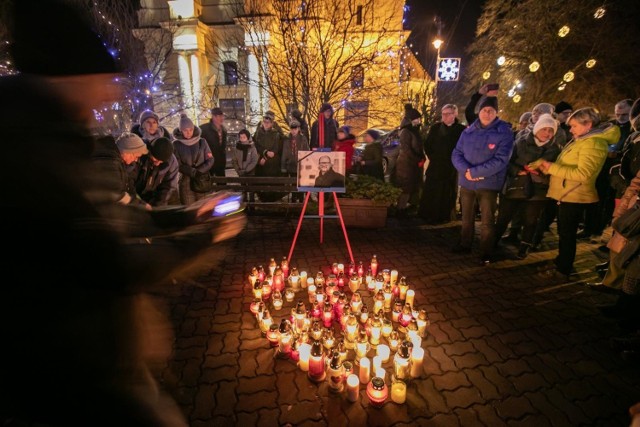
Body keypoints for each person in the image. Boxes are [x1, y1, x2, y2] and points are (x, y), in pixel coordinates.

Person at [0, 1, 245, 426]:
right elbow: (111, 259)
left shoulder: (58, 137)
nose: (109, 90)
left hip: (92, 354)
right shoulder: (29, 154)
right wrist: (206, 238)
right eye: (101, 77)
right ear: (69, 76)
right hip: (65, 371)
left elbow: (125, 219)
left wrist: (189, 215)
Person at [535, 107, 620, 282]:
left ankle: (563, 270)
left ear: (588, 124)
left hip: (574, 195)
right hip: (566, 193)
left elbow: (584, 174)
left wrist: (552, 168)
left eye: (574, 126)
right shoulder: (582, 140)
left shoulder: (593, 143)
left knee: (567, 235)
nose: (571, 130)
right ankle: (560, 261)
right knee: (563, 232)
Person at [451, 96, 514, 265]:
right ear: (479, 111)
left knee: (487, 220)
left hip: (488, 184)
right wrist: (467, 171)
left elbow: (501, 160)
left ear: (496, 113)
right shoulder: (468, 131)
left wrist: (477, 172)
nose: (487, 113)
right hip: (467, 182)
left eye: (490, 111)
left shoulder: (504, 132)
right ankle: (465, 244)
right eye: (484, 110)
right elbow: (456, 153)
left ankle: (486, 251)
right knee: (466, 217)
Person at [494, 114, 561, 259]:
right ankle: (493, 242)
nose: (547, 133)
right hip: (517, 184)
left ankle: (525, 245)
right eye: (544, 129)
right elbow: (508, 161)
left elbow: (556, 169)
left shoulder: (555, 149)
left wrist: (544, 170)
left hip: (538, 188)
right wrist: (517, 171)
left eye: (551, 131)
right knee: (504, 216)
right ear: (537, 128)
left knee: (531, 220)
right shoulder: (521, 142)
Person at [418, 104, 466, 224]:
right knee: (431, 189)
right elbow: (428, 144)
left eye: (447, 114)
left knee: (446, 192)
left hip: (451, 166)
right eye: (443, 114)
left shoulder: (460, 130)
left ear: (454, 114)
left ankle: (443, 215)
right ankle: (427, 214)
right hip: (436, 164)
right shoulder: (436, 128)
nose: (444, 117)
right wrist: (433, 156)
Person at [173, 113, 214, 205]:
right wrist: (191, 171)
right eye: (185, 130)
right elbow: (176, 163)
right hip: (185, 182)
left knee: (203, 208)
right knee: (189, 208)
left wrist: (199, 171)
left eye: (191, 129)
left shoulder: (202, 142)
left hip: (201, 180)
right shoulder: (176, 145)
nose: (188, 132)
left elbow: (210, 160)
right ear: (181, 130)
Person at [394, 107, 425, 215]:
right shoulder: (405, 131)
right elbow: (406, 149)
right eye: (417, 119)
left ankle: (410, 207)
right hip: (406, 164)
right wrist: (418, 159)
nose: (419, 121)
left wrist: (422, 158)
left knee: (413, 185)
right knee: (405, 186)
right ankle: (400, 208)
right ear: (411, 119)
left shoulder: (414, 130)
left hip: (413, 163)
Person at [134, 137, 179, 207]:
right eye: (155, 160)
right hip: (137, 195)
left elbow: (168, 187)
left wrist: (158, 206)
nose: (157, 163)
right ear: (150, 152)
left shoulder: (172, 162)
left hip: (157, 197)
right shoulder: (140, 154)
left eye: (161, 162)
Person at [254, 111, 285, 202]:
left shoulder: (276, 134)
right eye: (265, 122)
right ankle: (263, 198)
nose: (266, 124)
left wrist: (266, 156)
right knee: (262, 180)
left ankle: (273, 198)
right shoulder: (258, 133)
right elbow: (257, 146)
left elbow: (275, 148)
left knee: (272, 180)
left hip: (272, 162)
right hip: (261, 161)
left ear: (272, 123)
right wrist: (264, 153)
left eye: (268, 122)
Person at [281, 120, 310, 201]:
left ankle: (301, 199)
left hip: (301, 165)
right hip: (291, 165)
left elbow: (307, 151)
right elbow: (284, 153)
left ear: (298, 129)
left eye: (295, 129)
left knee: (300, 183)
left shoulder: (303, 138)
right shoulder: (287, 139)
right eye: (292, 129)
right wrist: (283, 166)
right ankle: (294, 199)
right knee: (293, 184)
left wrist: (306, 163)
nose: (293, 131)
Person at [232, 129, 259, 203]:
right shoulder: (237, 148)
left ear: (247, 137)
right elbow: (234, 161)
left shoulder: (252, 148)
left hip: (250, 173)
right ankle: (244, 206)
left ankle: (252, 206)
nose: (242, 139)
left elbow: (254, 160)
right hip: (241, 173)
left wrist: (247, 170)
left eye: (244, 137)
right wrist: (238, 170)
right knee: (243, 191)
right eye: (241, 137)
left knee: (251, 190)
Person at [200, 106, 228, 177]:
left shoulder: (224, 130)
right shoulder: (204, 129)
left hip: (220, 162)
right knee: (208, 182)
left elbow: (222, 147)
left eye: (222, 116)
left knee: (222, 183)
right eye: (219, 116)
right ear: (213, 117)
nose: (221, 118)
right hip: (208, 161)